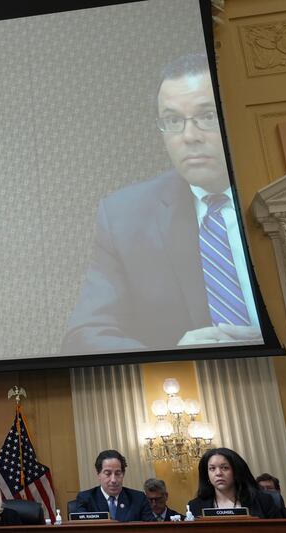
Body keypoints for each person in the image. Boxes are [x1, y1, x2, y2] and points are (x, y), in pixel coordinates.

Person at [61, 53, 261, 353]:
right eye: (173, 121)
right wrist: (171, 355)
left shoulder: (278, 184)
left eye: (207, 116)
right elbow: (85, 335)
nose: (189, 136)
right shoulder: (125, 217)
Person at [187, 448, 282, 518]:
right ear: (207, 474)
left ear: (236, 471)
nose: (218, 473)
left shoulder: (263, 501)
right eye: (212, 468)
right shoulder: (195, 506)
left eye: (225, 468)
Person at [74, 450, 153, 522]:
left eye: (118, 473)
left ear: (123, 474)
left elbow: (153, 528)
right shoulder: (86, 499)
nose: (113, 480)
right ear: (98, 474)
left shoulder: (138, 498)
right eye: (108, 473)